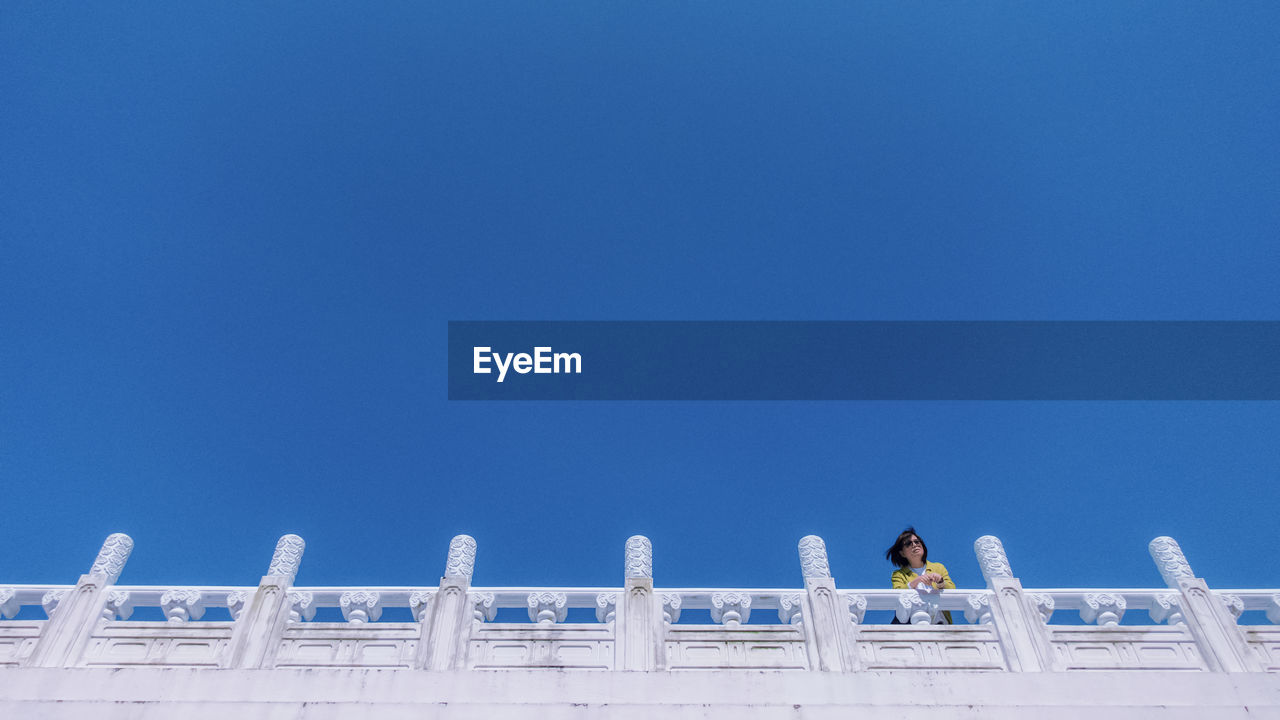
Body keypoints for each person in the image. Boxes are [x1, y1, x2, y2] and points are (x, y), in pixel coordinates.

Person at [885, 527, 954, 623]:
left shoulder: (938, 567)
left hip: (939, 622)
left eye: (917, 542)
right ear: (902, 553)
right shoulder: (899, 574)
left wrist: (940, 582)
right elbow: (897, 594)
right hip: (911, 623)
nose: (914, 545)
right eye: (909, 543)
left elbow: (952, 590)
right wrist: (916, 581)